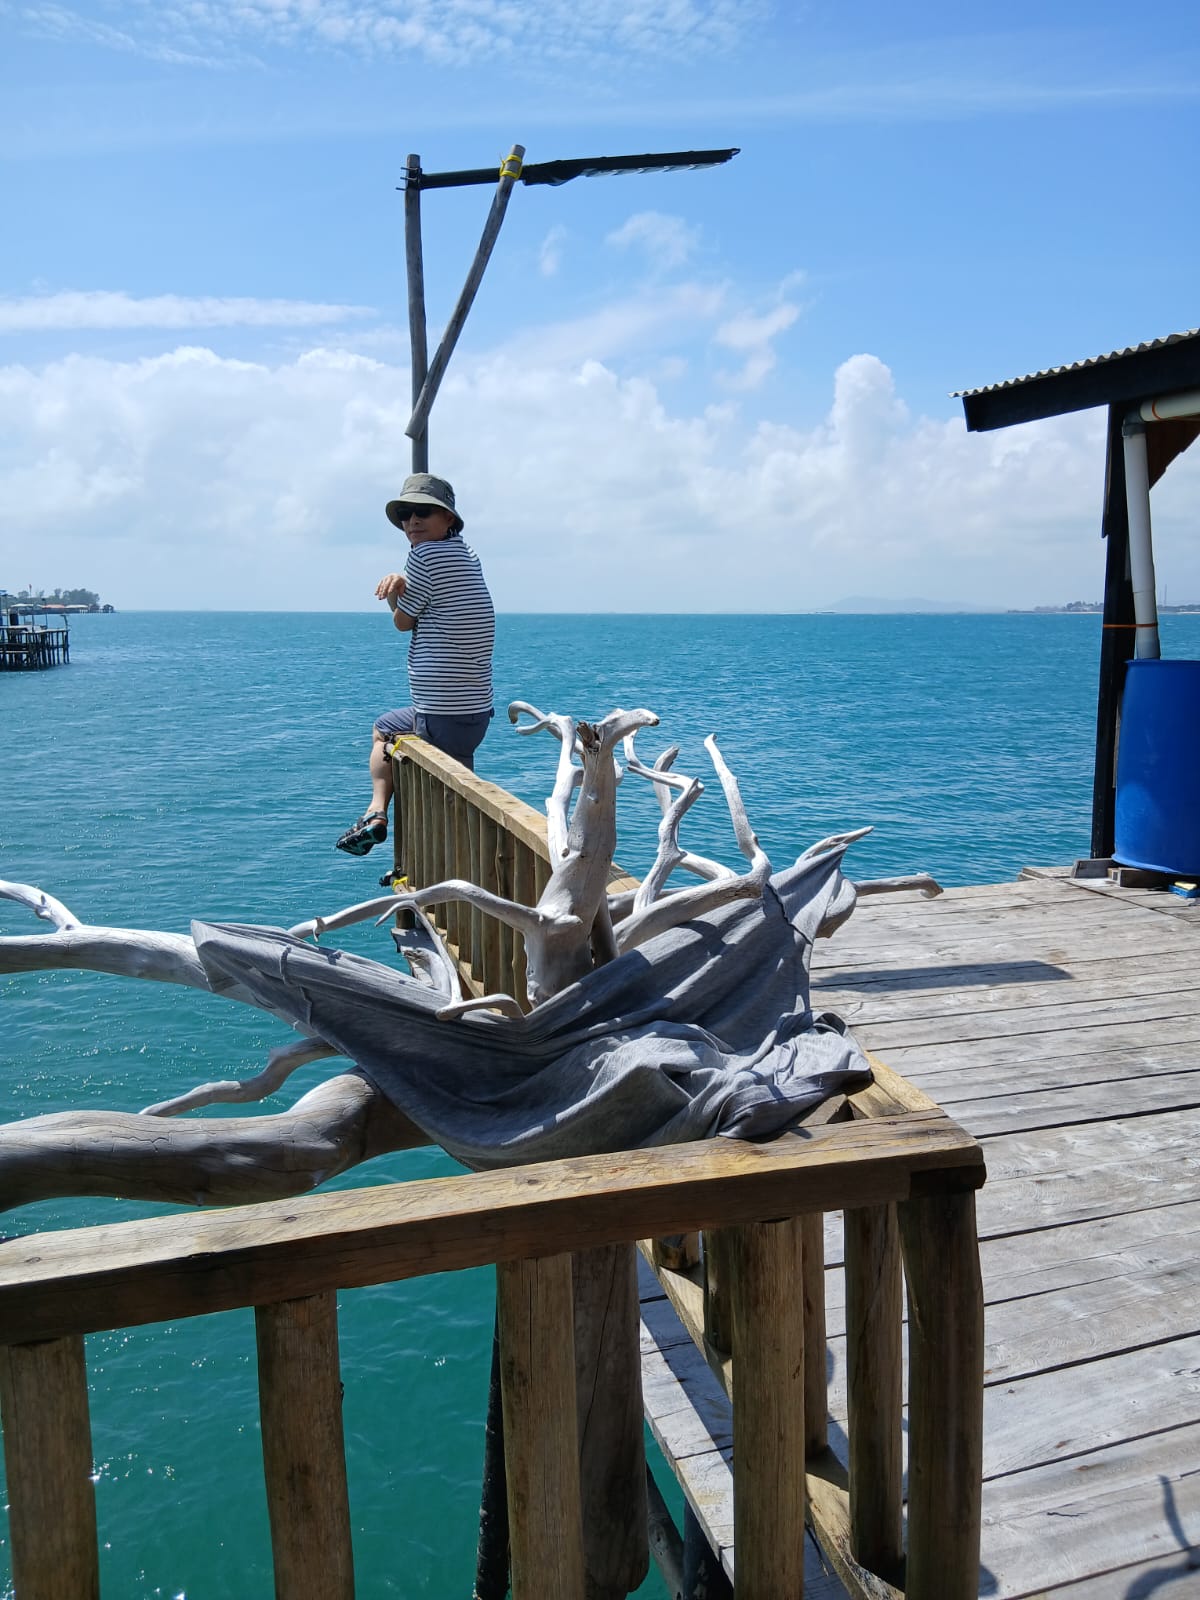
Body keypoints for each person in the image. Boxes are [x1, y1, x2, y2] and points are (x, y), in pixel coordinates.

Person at [336, 473, 494, 856]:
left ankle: (376, 813)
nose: (412, 521)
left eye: (423, 512)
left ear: (449, 518)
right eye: (405, 514)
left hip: (439, 714)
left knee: (383, 731)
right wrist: (406, 582)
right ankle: (464, 858)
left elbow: (403, 622)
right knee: (458, 793)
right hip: (474, 714)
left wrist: (396, 591)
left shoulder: (423, 555)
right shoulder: (467, 554)